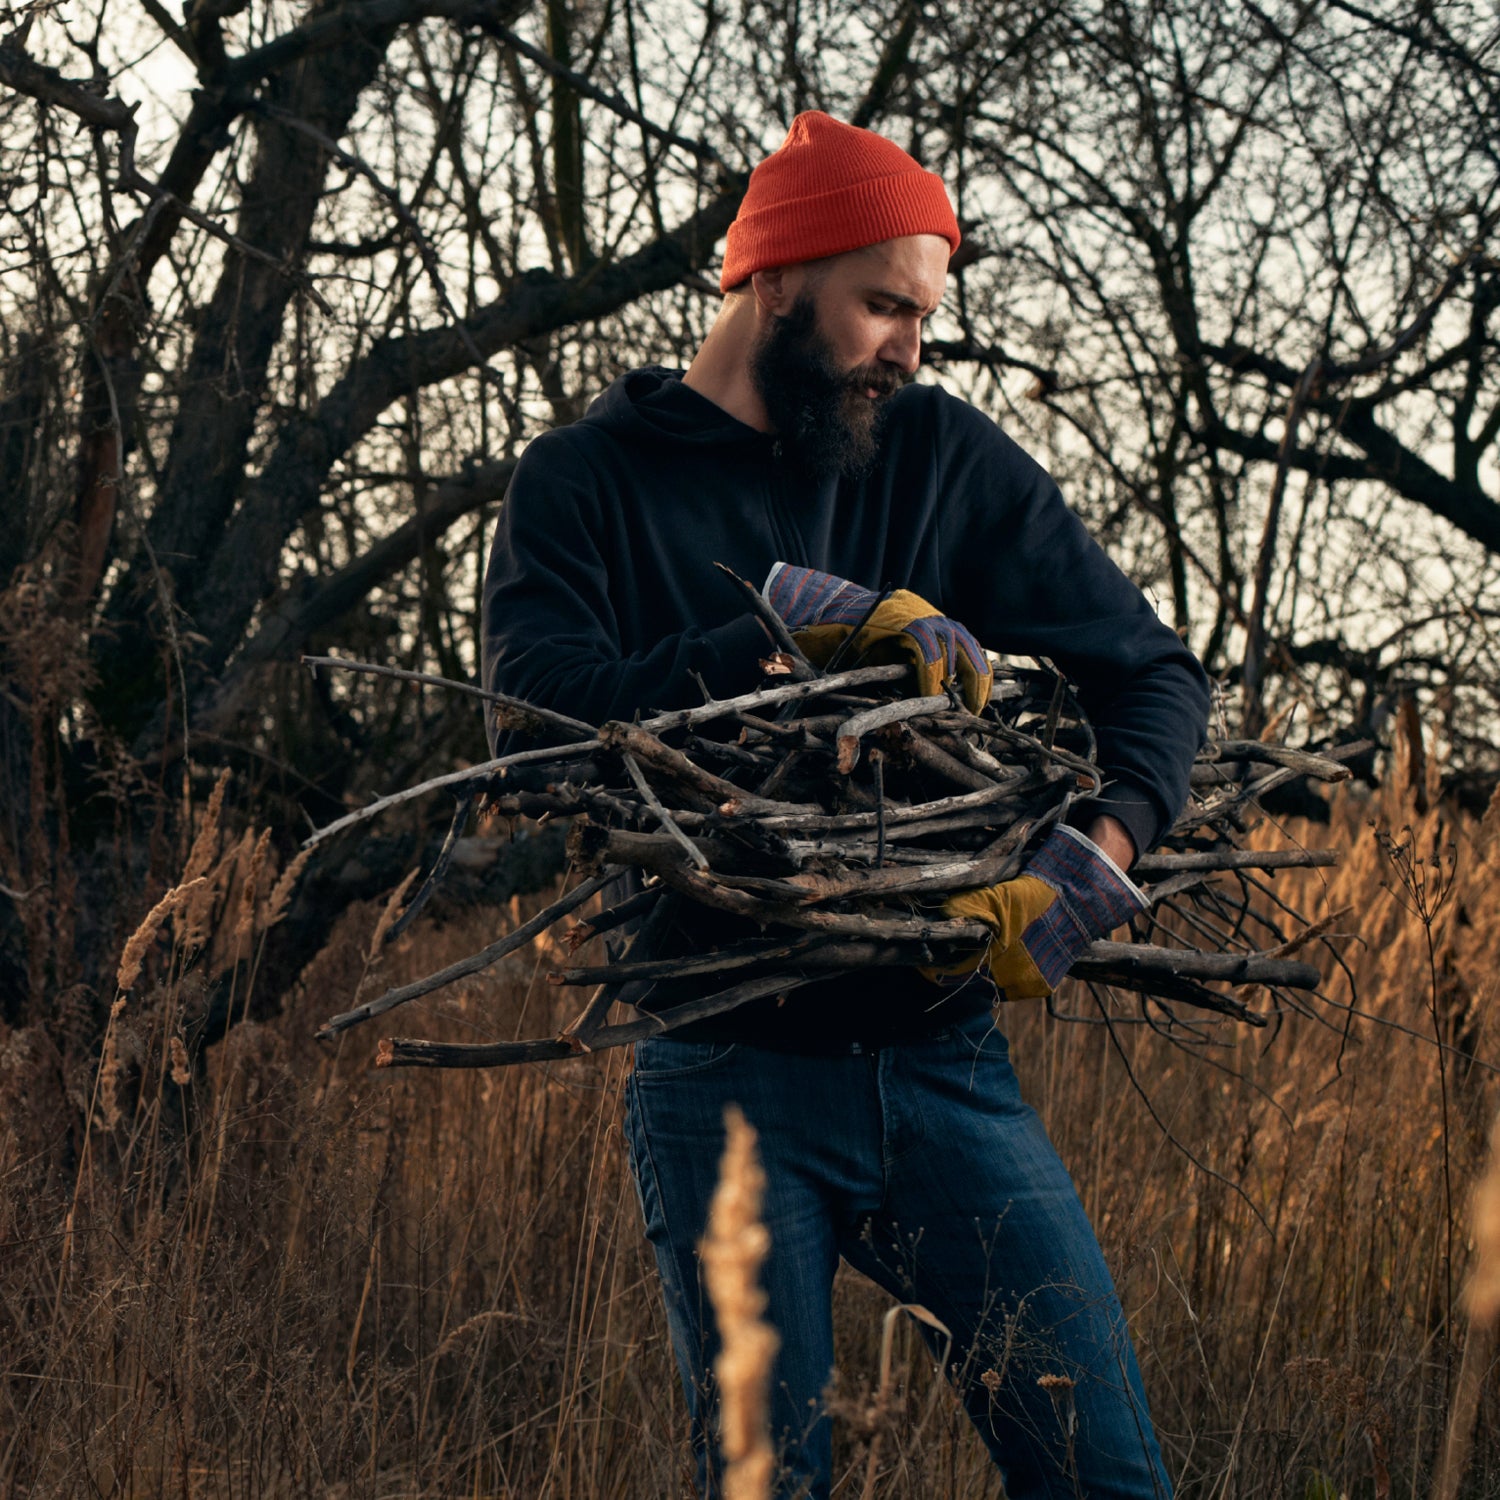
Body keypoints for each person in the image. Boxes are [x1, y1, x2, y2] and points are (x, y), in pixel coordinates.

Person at [482, 111, 1209, 1499]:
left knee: (1107, 1479)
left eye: (922, 314)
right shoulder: (586, 483)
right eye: (883, 305)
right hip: (725, 1073)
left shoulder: (937, 455)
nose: (908, 349)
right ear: (773, 278)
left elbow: (1154, 675)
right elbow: (534, 726)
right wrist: (786, 635)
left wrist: (1093, 859)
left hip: (946, 1063)